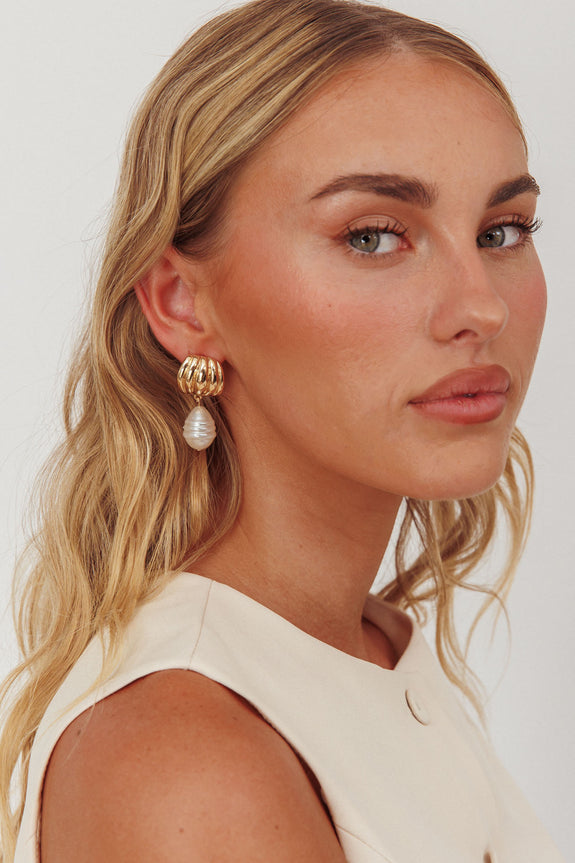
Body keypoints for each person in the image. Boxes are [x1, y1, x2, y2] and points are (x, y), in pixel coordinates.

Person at [0, 0, 565, 860]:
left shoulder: (361, 645)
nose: (481, 306)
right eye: (372, 237)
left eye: (502, 230)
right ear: (183, 304)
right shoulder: (189, 761)